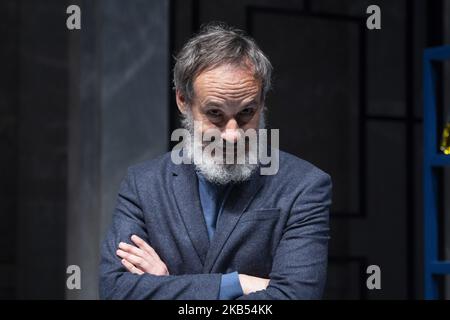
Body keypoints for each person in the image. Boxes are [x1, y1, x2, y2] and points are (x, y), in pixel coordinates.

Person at [99, 22, 332, 300]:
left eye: (247, 112)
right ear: (183, 101)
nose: (232, 135)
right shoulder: (142, 184)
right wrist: (238, 284)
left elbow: (296, 297)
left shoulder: (305, 185)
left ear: (263, 101)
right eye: (215, 114)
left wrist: (169, 285)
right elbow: (115, 291)